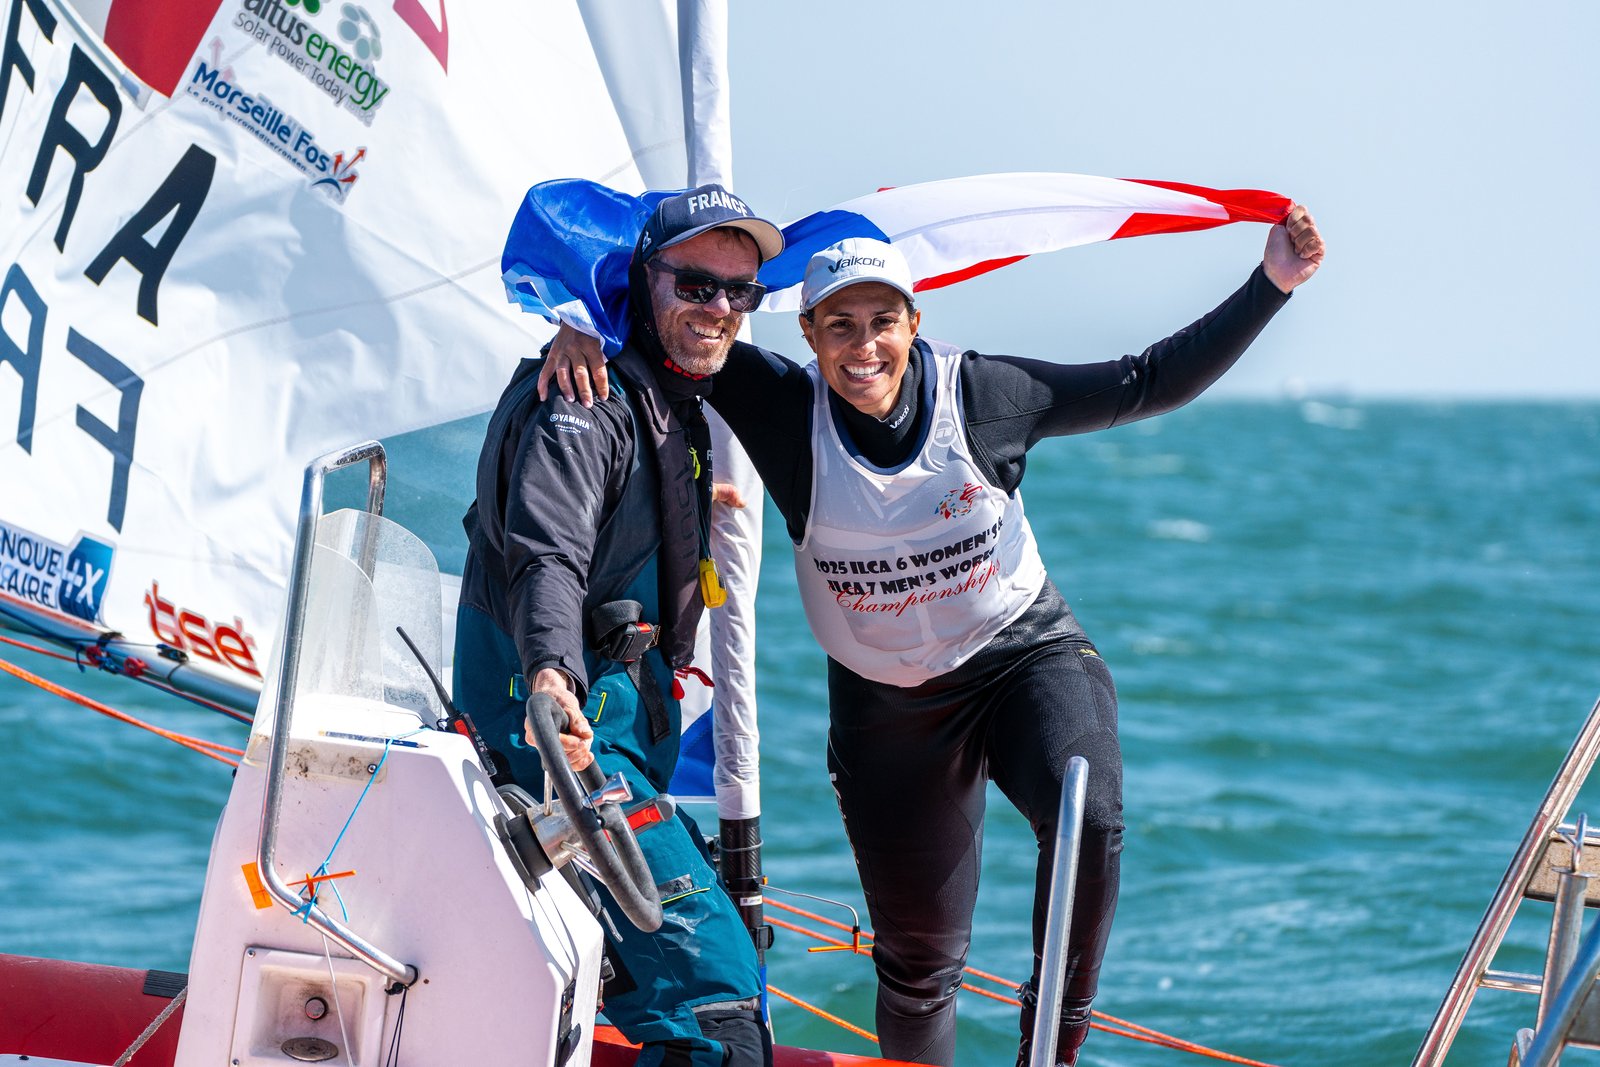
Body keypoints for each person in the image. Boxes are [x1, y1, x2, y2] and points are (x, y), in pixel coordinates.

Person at [540, 207, 1326, 1066]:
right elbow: (671, 329)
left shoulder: (983, 397)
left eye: (883, 321)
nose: (863, 347)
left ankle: (1052, 1050)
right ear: (808, 333)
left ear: (914, 323)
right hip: (888, 709)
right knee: (918, 965)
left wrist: (1271, 285)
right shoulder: (780, 406)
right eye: (839, 325)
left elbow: (1146, 380)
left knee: (1088, 814)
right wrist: (579, 330)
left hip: (1023, 656)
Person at [452, 182, 787, 1067]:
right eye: (696, 284)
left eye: (740, 291)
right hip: (564, 758)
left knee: (721, 985)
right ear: (642, 281)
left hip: (621, 750)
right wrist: (553, 675)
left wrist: (683, 506)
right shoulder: (584, 401)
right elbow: (548, 553)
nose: (720, 308)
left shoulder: (663, 396)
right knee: (718, 1012)